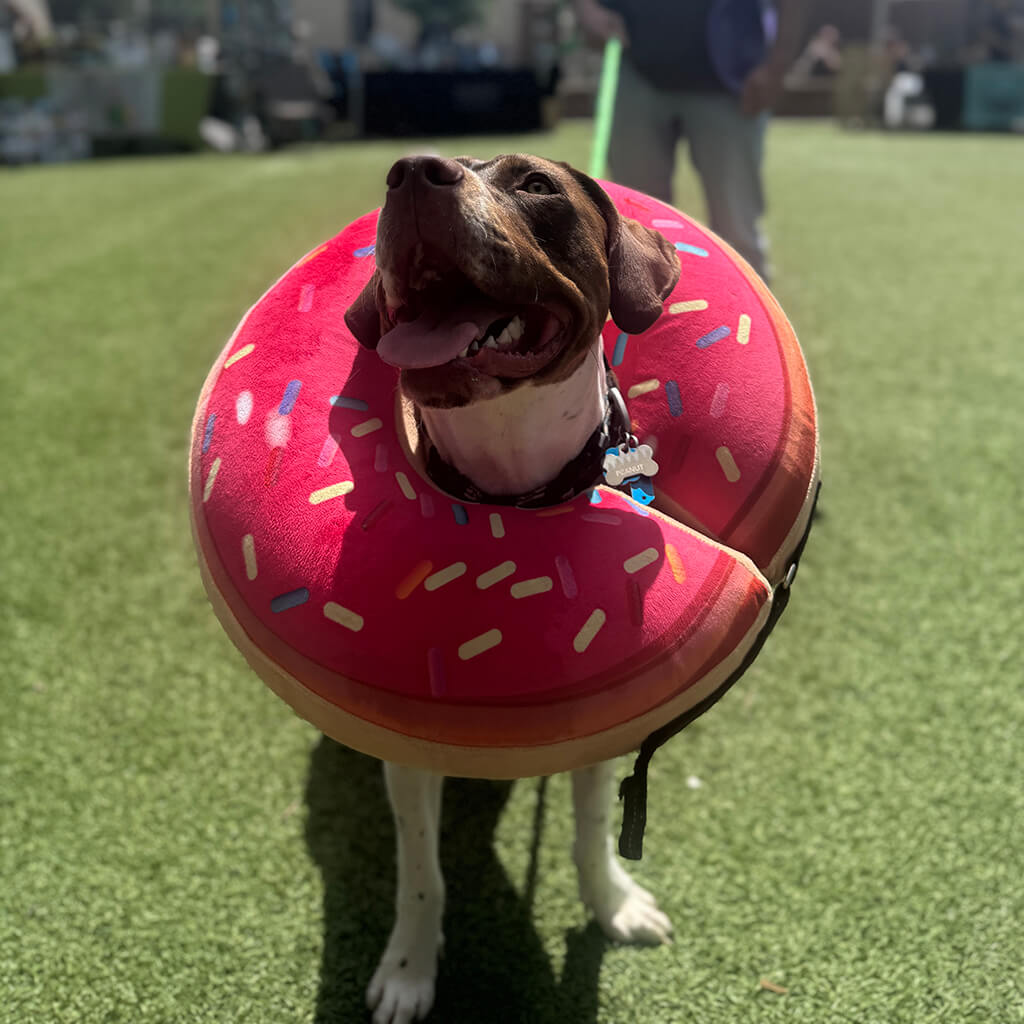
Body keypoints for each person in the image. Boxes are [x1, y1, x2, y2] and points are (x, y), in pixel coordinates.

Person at [574, 0, 810, 281]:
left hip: (733, 80)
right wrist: (587, 9)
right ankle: (643, 310)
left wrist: (777, 66)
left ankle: (751, 309)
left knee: (737, 229)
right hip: (633, 65)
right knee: (634, 229)